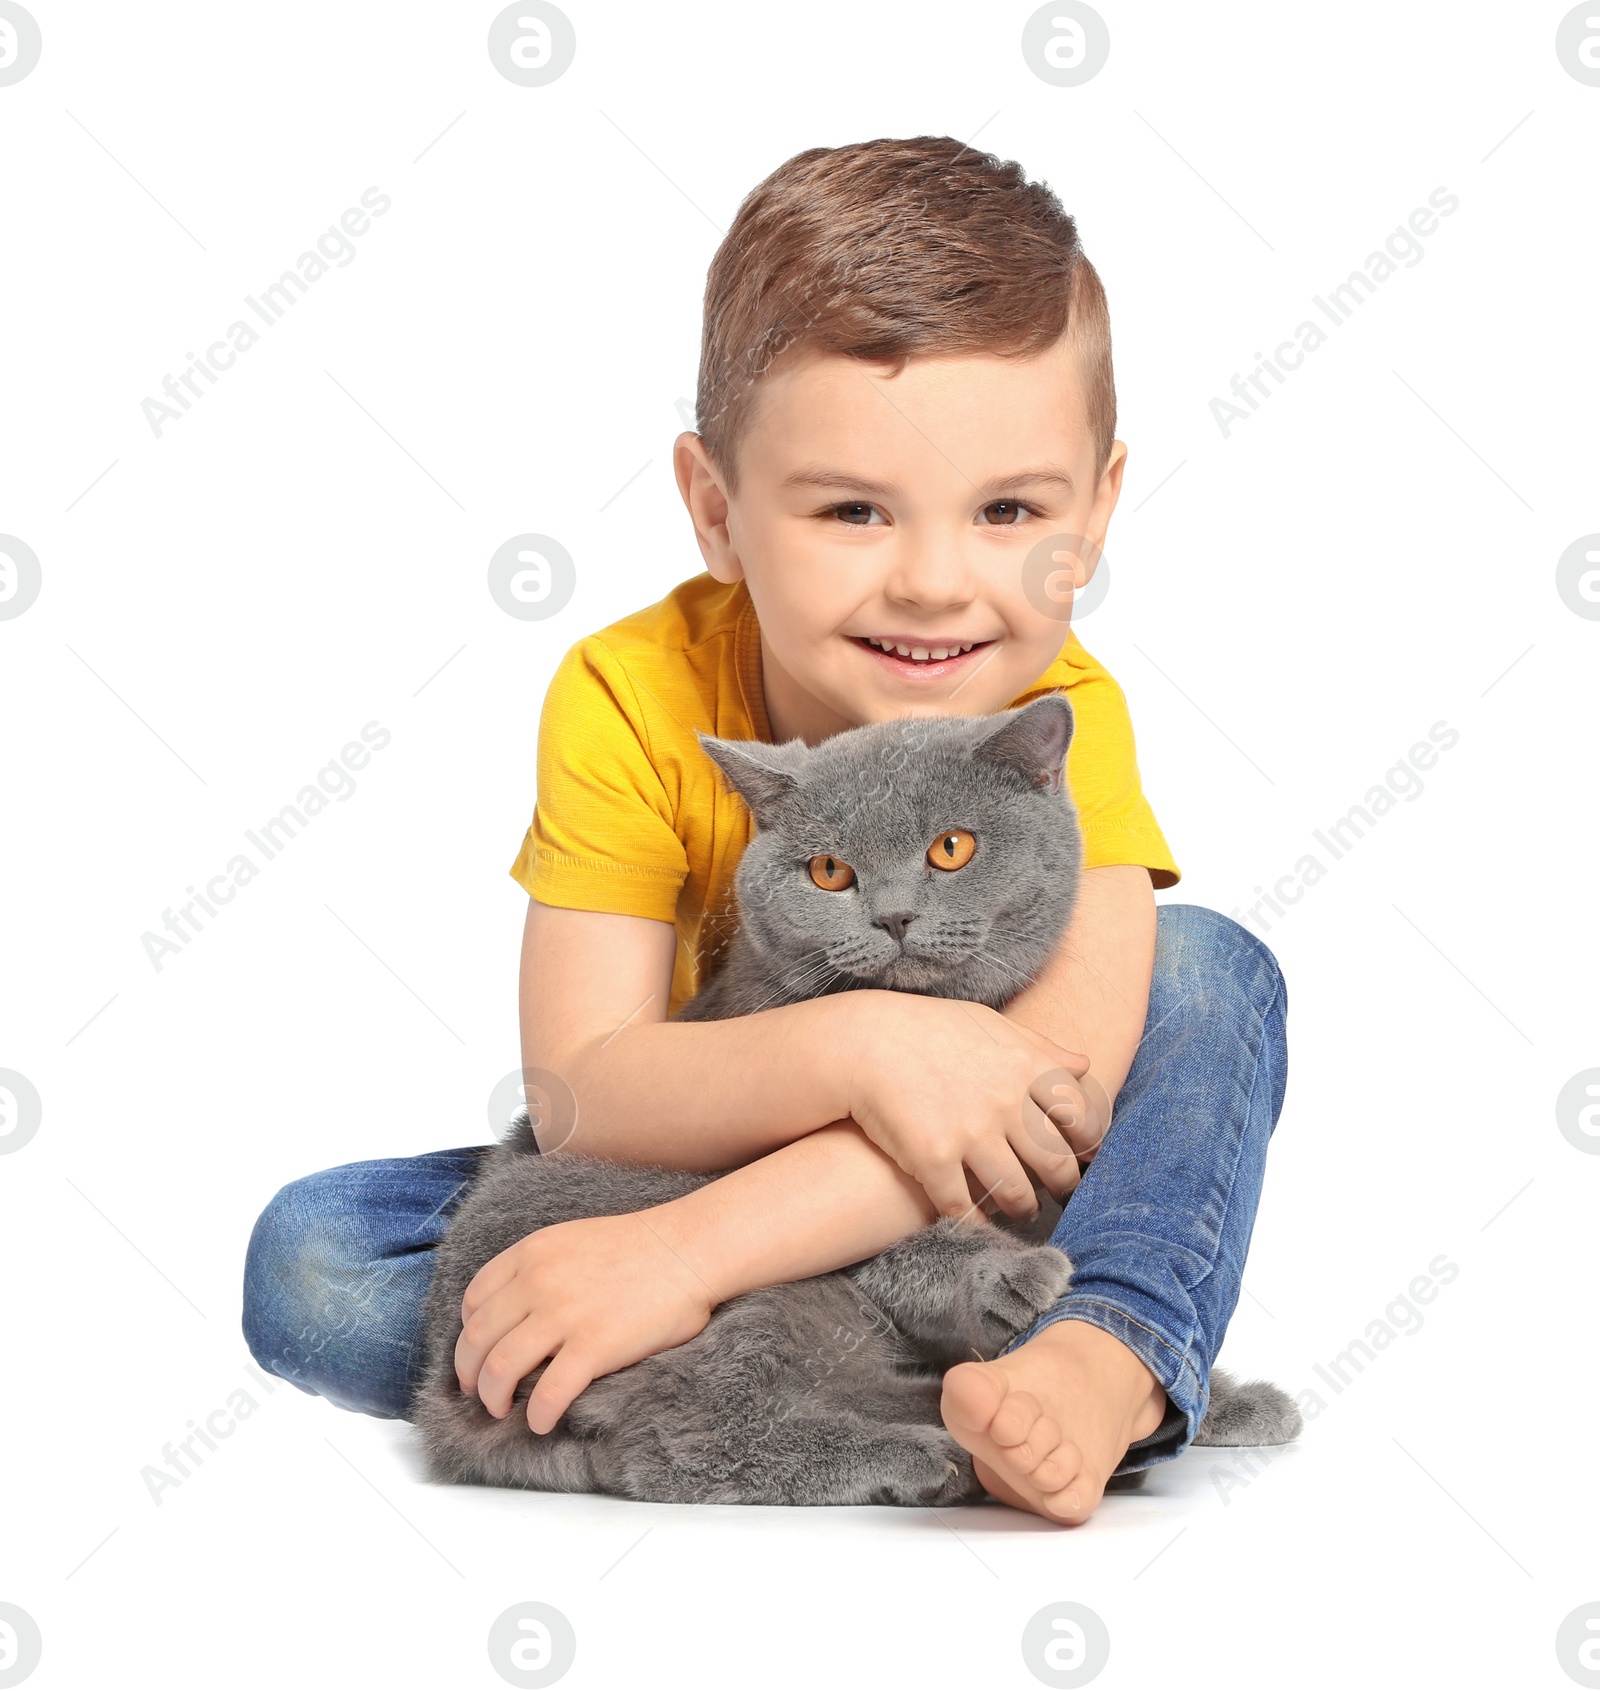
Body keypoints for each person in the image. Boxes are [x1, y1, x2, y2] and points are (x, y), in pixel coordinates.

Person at [243, 135, 1289, 1525]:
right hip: (689, 1153)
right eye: (855, 509)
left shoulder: (1048, 718)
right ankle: (960, 1366)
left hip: (976, 1188)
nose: (933, 582)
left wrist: (687, 1262)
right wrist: (855, 1053)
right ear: (717, 509)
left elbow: (1063, 1099)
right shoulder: (631, 694)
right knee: (314, 1264)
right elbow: (580, 1094)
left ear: (1093, 515)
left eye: (1009, 511)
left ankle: (1108, 1358)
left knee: (1209, 966)